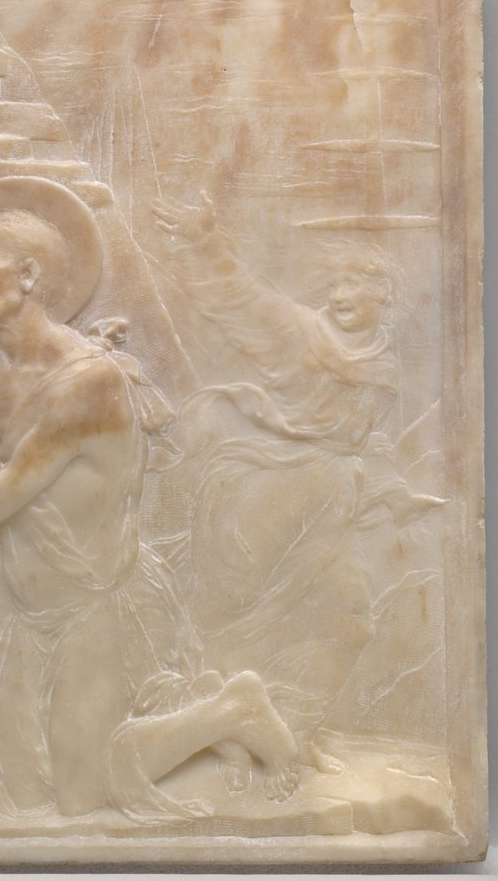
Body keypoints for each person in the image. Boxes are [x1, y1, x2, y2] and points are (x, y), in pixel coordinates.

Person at [0, 177, 298, 821]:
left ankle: (233, 707)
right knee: (26, 799)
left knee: (83, 798)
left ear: (28, 275)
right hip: (31, 617)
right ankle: (26, 749)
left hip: (102, 612)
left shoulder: (89, 383)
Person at [151, 191, 443, 779]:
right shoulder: (302, 333)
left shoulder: (381, 363)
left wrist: (394, 495)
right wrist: (203, 240)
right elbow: (244, 299)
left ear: (383, 295)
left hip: (330, 502)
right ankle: (220, 736)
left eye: (353, 283)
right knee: (231, 615)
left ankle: (291, 728)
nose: (338, 295)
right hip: (267, 491)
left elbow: (363, 441)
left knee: (350, 621)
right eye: (333, 283)